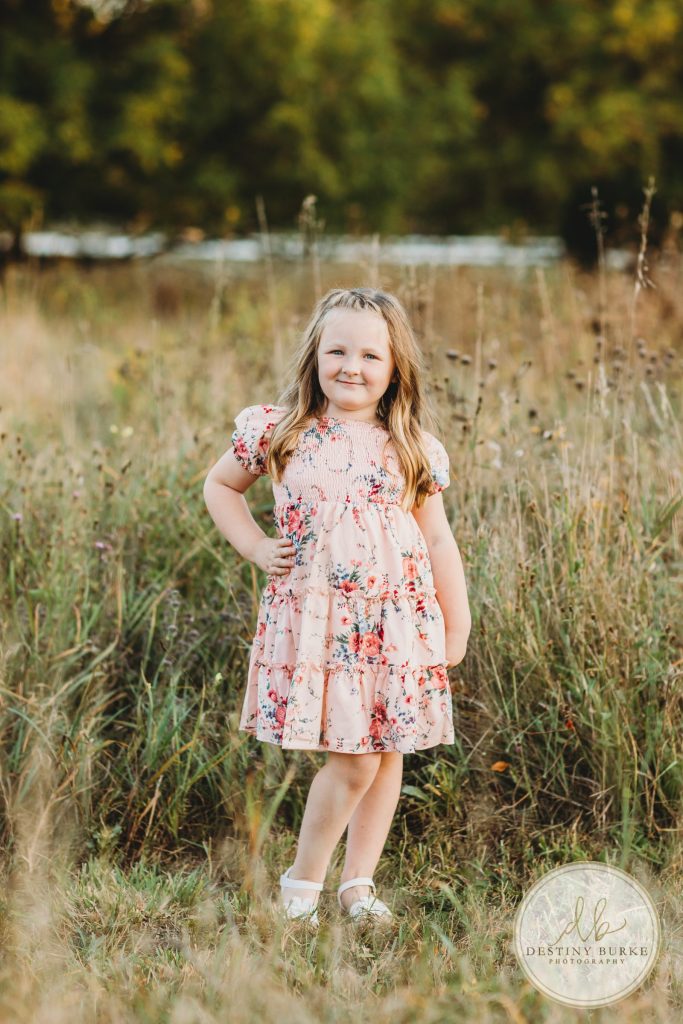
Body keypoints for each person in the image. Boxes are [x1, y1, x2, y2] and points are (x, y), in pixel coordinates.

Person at [203, 286, 471, 928]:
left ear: (395, 367)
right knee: (352, 760)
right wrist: (256, 545)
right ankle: (303, 882)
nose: (352, 366)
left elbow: (437, 538)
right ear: (315, 356)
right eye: (337, 350)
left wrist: (455, 623)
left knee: (385, 753)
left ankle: (358, 883)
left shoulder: (409, 446)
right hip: (323, 625)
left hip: (398, 623)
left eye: (370, 355)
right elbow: (219, 486)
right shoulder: (282, 431)